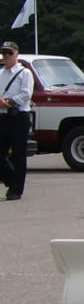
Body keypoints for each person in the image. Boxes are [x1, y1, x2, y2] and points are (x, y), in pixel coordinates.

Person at [0, 40, 35, 201]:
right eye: (4, 53)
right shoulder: (1, 73)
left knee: (19, 155)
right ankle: (11, 179)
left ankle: (15, 189)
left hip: (18, 116)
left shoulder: (24, 73)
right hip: (3, 116)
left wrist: (8, 101)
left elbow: (26, 94)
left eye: (9, 53)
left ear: (16, 54)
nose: (6, 56)